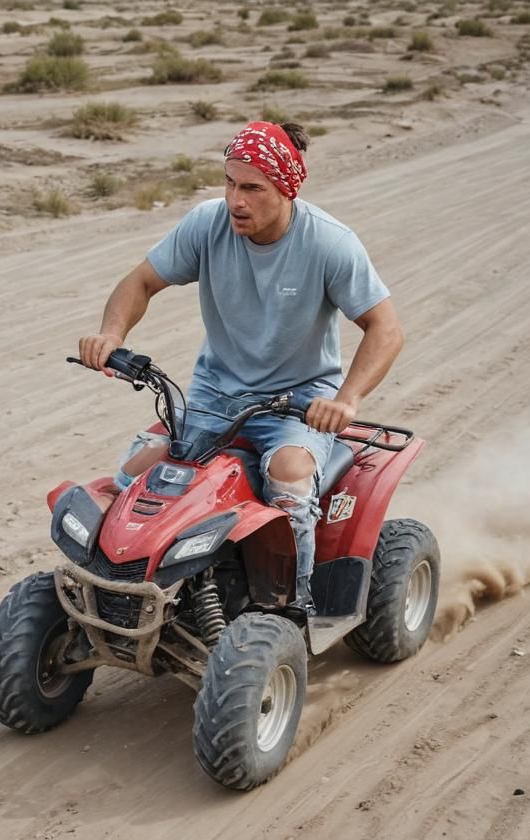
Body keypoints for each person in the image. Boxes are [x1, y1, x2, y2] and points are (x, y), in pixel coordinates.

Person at [78, 121, 404, 609]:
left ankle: (293, 607)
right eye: (229, 183)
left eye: (252, 188)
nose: (235, 200)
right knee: (138, 475)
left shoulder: (329, 244)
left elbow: (387, 329)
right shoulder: (207, 224)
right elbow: (141, 282)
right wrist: (111, 333)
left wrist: (345, 400)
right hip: (214, 395)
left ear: (286, 189)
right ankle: (116, 590)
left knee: (290, 477)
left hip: (297, 405)